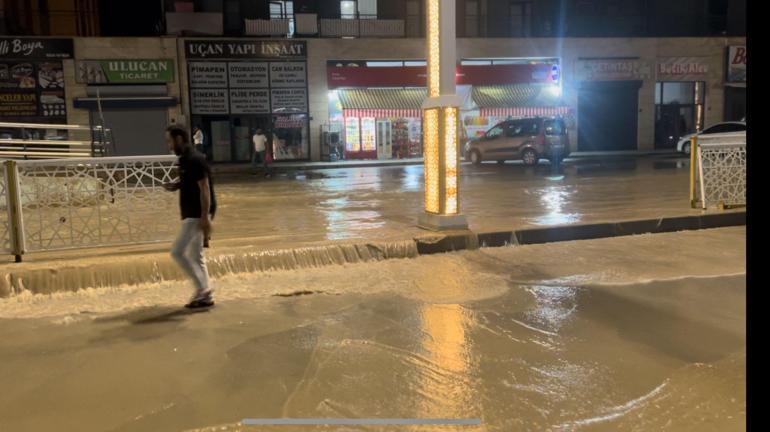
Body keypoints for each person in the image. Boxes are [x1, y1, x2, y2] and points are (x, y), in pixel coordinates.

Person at [163, 125, 217, 309]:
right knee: (196, 255)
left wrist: (204, 218)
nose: (169, 145)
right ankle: (205, 295)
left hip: (196, 213)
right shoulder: (185, 159)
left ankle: (203, 289)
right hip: (192, 212)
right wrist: (176, 185)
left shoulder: (195, 159)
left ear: (179, 139)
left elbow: (205, 188)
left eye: (170, 141)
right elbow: (190, 180)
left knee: (177, 252)